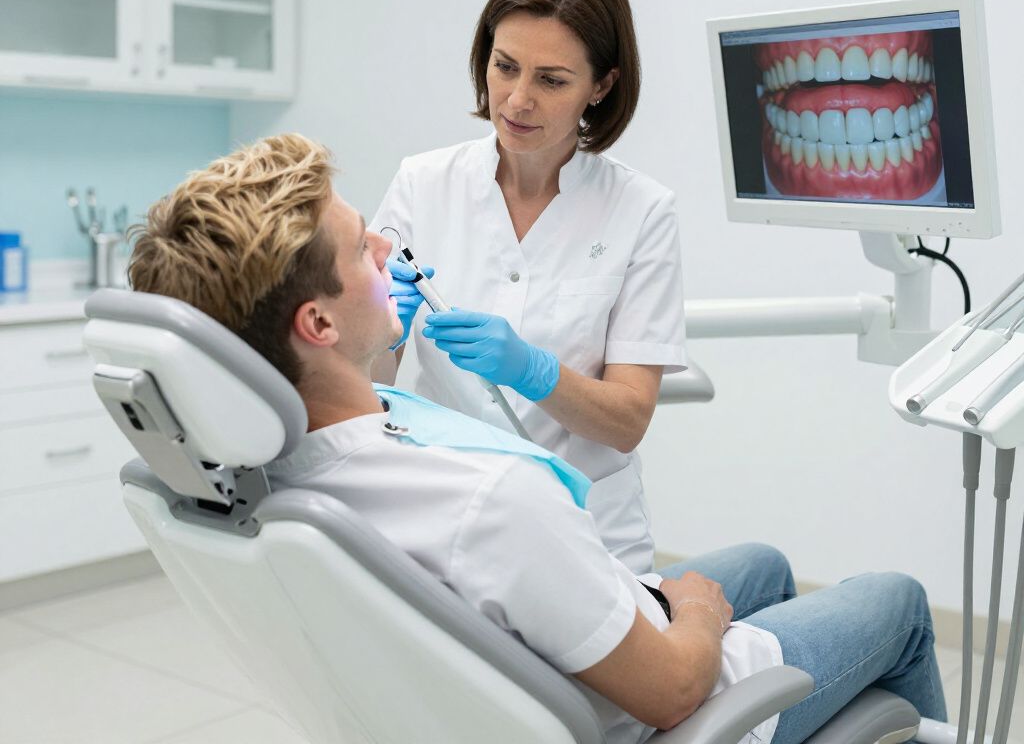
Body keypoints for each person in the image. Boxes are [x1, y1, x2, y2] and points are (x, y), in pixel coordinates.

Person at [128, 133, 946, 744]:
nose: (384, 243)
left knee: (763, 564)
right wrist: (695, 617)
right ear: (316, 321)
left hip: (551, 639)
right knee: (898, 602)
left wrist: (383, 351)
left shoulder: (275, 474)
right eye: (358, 246)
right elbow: (667, 694)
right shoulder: (490, 503)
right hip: (658, 707)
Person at [372, 0, 686, 574]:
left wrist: (534, 371)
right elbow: (366, 384)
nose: (517, 99)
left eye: (552, 79)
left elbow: (627, 421)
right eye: (504, 66)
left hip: (588, 534)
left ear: (600, 86)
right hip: (448, 513)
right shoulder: (422, 183)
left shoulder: (642, 211)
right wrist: (386, 331)